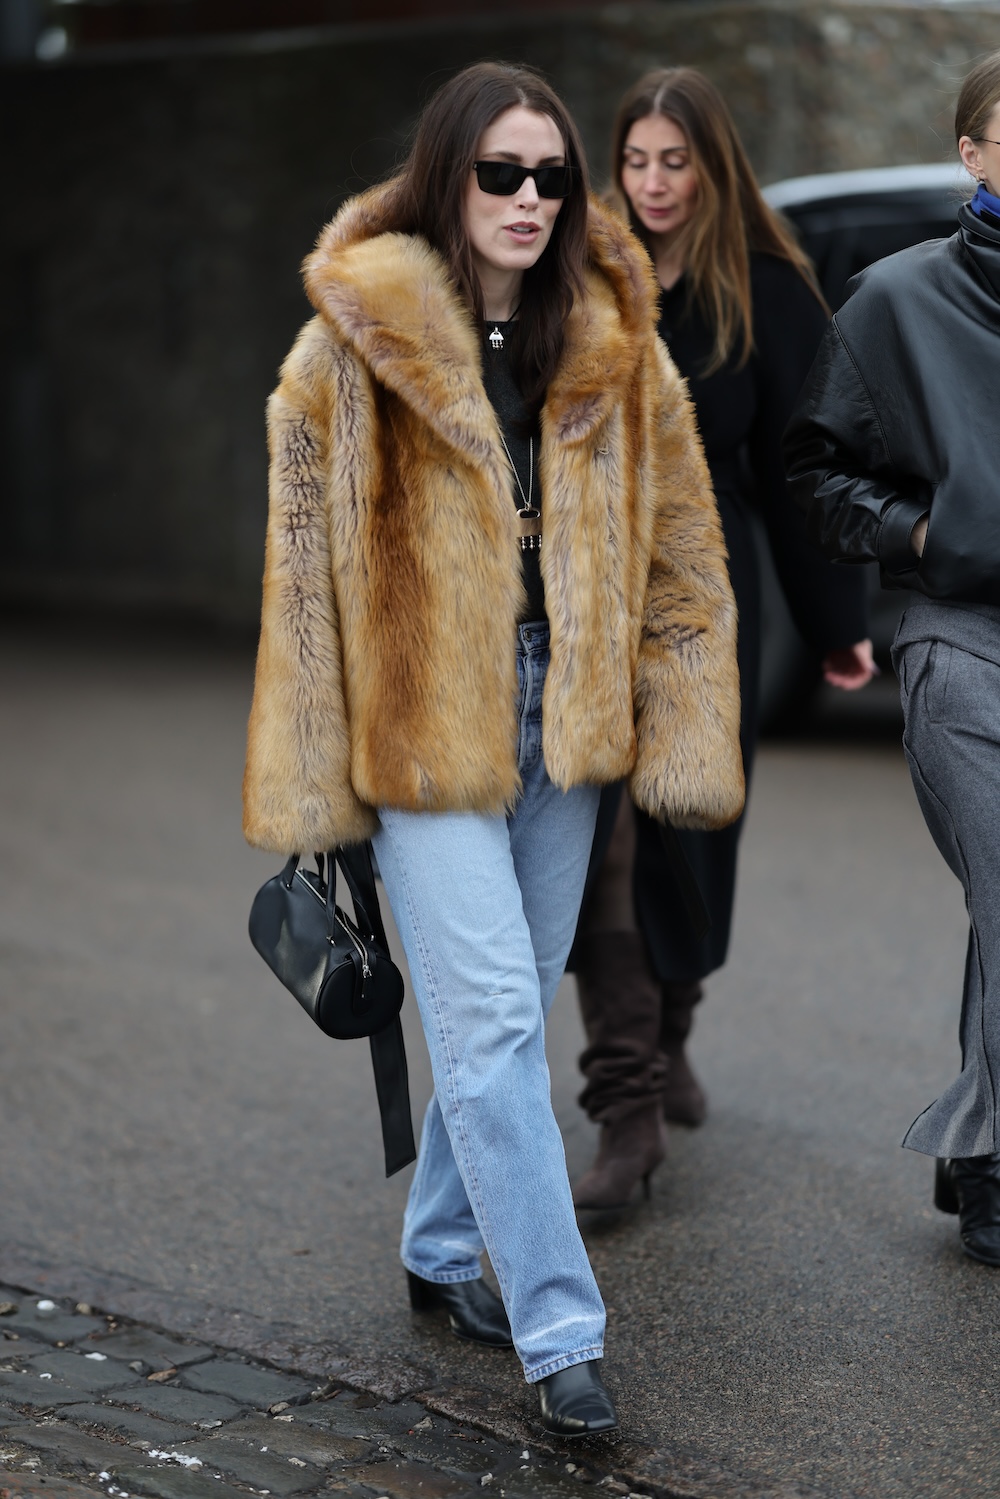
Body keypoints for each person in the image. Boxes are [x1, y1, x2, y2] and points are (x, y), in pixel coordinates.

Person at [242, 61, 745, 1432]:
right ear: (447, 176)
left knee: (501, 1006)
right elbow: (301, 584)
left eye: (552, 177)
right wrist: (314, 781)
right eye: (500, 173)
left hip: (562, 720)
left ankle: (438, 1244)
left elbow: (682, 551)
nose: (530, 198)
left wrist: (683, 719)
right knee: (500, 1023)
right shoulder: (350, 347)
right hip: (420, 723)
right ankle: (560, 1330)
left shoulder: (615, 340)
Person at [571, 67, 875, 1213]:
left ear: (712, 166)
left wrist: (836, 624)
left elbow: (802, 470)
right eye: (635, 159)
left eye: (675, 161)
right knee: (602, 843)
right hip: (590, 594)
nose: (652, 183)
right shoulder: (584, 272)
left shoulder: (765, 286)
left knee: (688, 835)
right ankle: (627, 1103)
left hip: (707, 601)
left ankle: (671, 1028)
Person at [784, 51, 1000, 1267]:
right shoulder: (895, 298)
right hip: (961, 637)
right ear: (970, 154)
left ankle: (980, 1144)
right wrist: (921, 532)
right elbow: (815, 476)